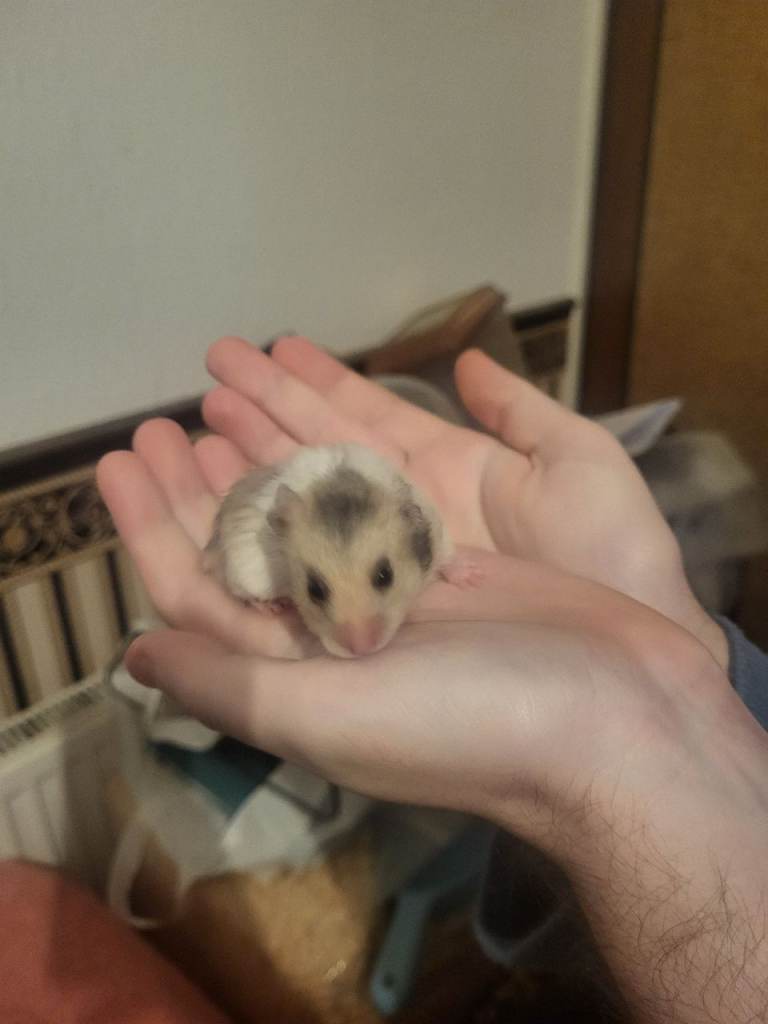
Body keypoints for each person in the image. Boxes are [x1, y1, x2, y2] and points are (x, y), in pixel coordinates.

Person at [97, 336, 768, 1023]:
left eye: (383, 579)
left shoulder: (408, 510)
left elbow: (432, 535)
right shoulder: (276, 533)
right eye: (321, 592)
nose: (358, 635)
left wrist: (445, 566)